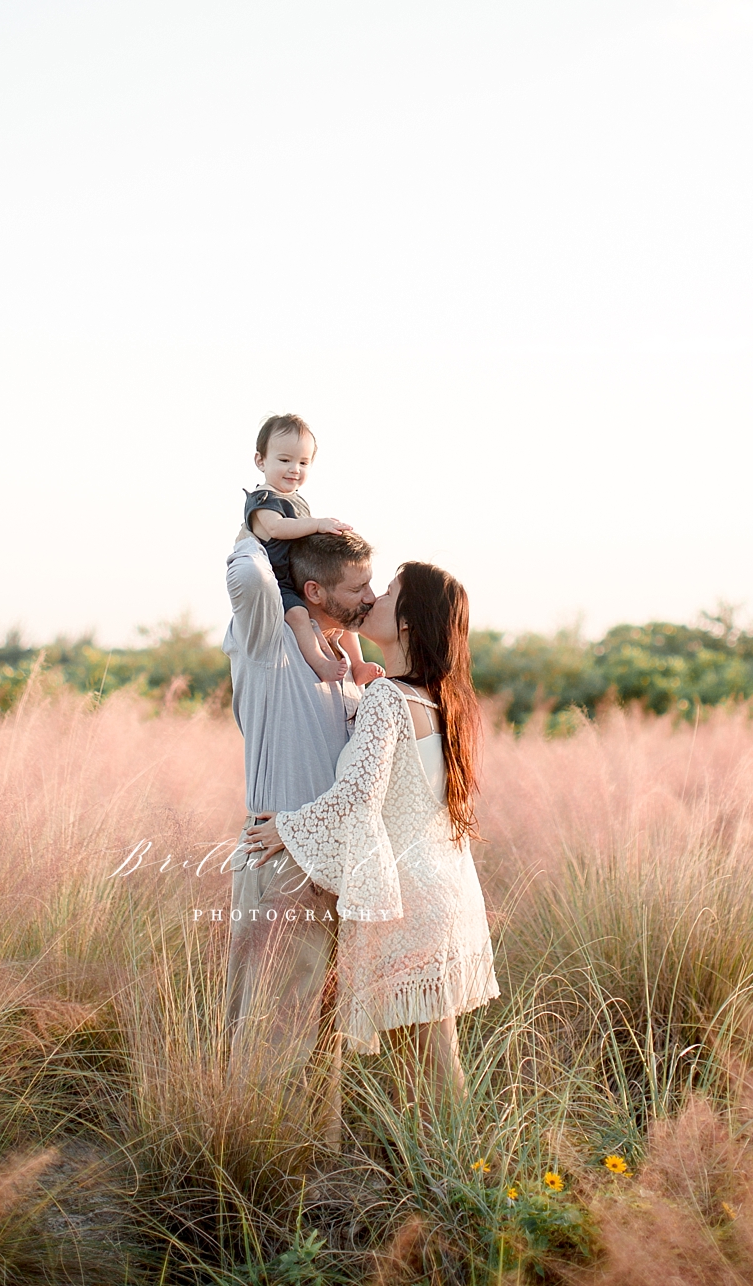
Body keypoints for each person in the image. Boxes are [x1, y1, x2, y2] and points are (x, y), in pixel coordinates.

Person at [244, 562, 499, 1109]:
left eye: (387, 592)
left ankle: (456, 1177)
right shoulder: (438, 700)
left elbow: (357, 799)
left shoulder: (387, 701)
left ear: (407, 622)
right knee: (432, 1055)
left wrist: (287, 829)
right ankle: (451, 1171)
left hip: (408, 902)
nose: (374, 599)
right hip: (448, 894)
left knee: (428, 1058)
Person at [222, 518, 376, 1098]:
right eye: (358, 587)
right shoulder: (272, 642)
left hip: (335, 860)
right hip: (279, 852)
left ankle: (317, 1165)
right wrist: (273, 518)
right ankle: (260, 1166)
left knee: (322, 1031)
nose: (370, 596)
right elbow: (249, 576)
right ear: (314, 591)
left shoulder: (341, 656)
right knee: (270, 1031)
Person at [243, 411, 368, 682]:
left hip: (304, 576)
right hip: (281, 583)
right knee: (299, 616)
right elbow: (277, 528)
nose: (294, 469)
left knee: (339, 608)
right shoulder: (263, 499)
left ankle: (357, 663)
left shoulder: (298, 500)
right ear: (260, 460)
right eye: (285, 460)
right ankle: (320, 664)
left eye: (303, 462)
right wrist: (318, 524)